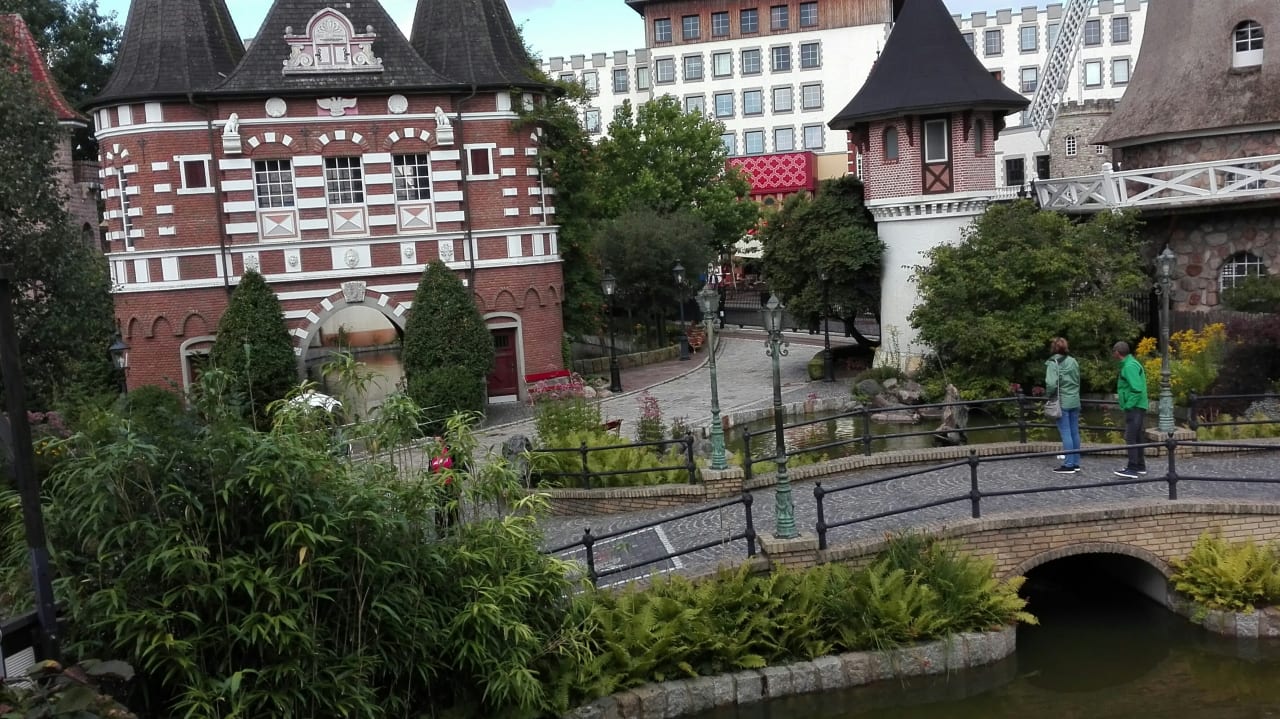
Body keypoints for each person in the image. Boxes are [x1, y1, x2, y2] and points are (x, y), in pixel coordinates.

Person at [1113, 340, 1149, 478]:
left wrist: (1128, 404)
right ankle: (1140, 466)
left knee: (1130, 437)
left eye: (1113, 352)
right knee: (1137, 436)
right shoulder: (1132, 363)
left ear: (1117, 353)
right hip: (1138, 406)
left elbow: (1136, 388)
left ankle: (1132, 468)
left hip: (1134, 407)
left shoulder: (1128, 366)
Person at [1046, 337, 1082, 474]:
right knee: (1074, 432)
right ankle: (1076, 462)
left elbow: (1051, 383)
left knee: (1066, 433)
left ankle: (1068, 464)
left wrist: (1050, 395)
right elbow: (1078, 379)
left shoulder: (1053, 363)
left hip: (1062, 401)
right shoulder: (1073, 361)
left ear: (1053, 348)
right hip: (1074, 400)